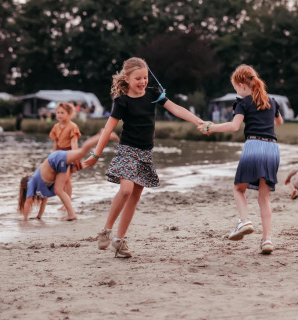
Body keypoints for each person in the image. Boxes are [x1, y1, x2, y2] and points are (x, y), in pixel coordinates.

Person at [83, 57, 206, 258]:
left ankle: (119, 241)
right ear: (127, 79)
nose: (143, 82)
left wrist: (198, 121)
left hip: (145, 154)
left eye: (145, 77)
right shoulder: (121, 101)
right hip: (127, 151)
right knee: (126, 190)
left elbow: (176, 109)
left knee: (134, 197)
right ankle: (106, 230)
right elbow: (107, 129)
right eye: (138, 78)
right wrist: (96, 154)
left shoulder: (153, 94)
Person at [198, 64, 283, 254]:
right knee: (264, 197)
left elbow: (234, 126)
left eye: (235, 87)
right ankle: (266, 239)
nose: (236, 91)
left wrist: (211, 126)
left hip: (254, 145)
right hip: (272, 148)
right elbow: (279, 122)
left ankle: (244, 221)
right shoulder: (272, 101)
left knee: (238, 188)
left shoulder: (243, 102)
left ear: (241, 84)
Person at [18, 133, 101, 221]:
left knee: (81, 152)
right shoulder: (41, 188)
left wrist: (25, 219)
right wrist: (38, 217)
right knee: (59, 189)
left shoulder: (31, 181)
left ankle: (101, 136)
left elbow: (28, 201)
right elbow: (43, 202)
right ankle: (71, 214)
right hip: (57, 166)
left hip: (55, 159)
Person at [49, 102, 82, 212]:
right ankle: (65, 202)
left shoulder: (72, 126)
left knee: (67, 179)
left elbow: (74, 143)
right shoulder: (56, 127)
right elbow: (56, 143)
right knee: (60, 180)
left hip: (69, 154)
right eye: (58, 112)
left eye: (62, 112)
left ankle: (67, 203)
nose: (59, 115)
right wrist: (53, 156)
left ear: (69, 113)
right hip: (59, 155)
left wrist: (76, 157)